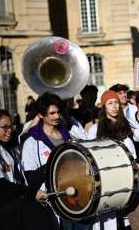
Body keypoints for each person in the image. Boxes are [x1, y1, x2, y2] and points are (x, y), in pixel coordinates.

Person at [0, 110, 58, 230]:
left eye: (11, 127)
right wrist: (32, 193)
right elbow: (0, 184)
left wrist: (51, 166)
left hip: (15, 211)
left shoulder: (12, 151)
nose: (9, 131)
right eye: (4, 127)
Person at [20, 93, 91, 230]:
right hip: (50, 205)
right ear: (41, 115)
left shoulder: (68, 135)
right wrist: (56, 164)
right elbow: (31, 178)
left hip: (76, 198)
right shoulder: (31, 141)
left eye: (58, 112)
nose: (57, 116)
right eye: (52, 113)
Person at [96, 90, 139, 230]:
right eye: (110, 103)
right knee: (114, 223)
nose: (114, 106)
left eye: (116, 102)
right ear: (104, 107)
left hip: (131, 182)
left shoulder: (128, 124)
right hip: (110, 184)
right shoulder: (96, 130)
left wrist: (138, 162)